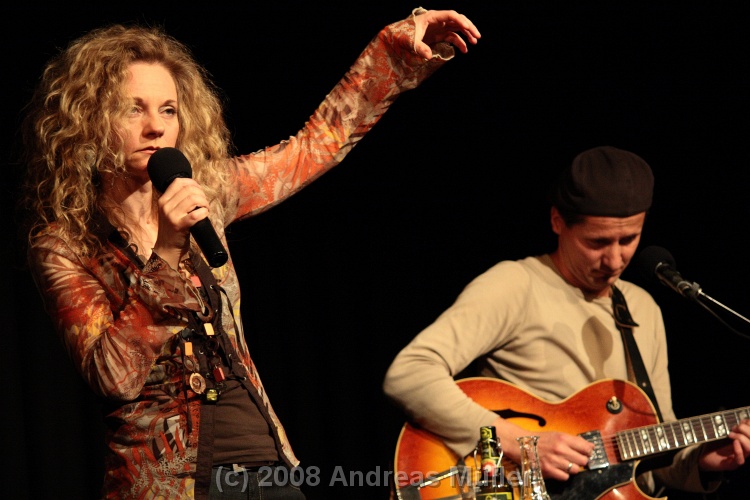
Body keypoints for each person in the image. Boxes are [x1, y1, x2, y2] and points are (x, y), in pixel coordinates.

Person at [19, 8, 480, 499]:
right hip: (170, 483)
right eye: (133, 109)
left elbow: (315, 145)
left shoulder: (210, 192)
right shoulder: (66, 243)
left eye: (168, 110)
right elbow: (113, 376)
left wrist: (389, 52)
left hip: (266, 461)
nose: (155, 127)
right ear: (91, 119)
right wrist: (168, 251)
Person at [383, 146, 749, 497]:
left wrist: (702, 462)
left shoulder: (643, 308)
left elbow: (655, 445)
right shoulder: (516, 285)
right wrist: (521, 444)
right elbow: (411, 373)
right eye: (597, 242)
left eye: (629, 239)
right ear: (558, 221)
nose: (615, 260)